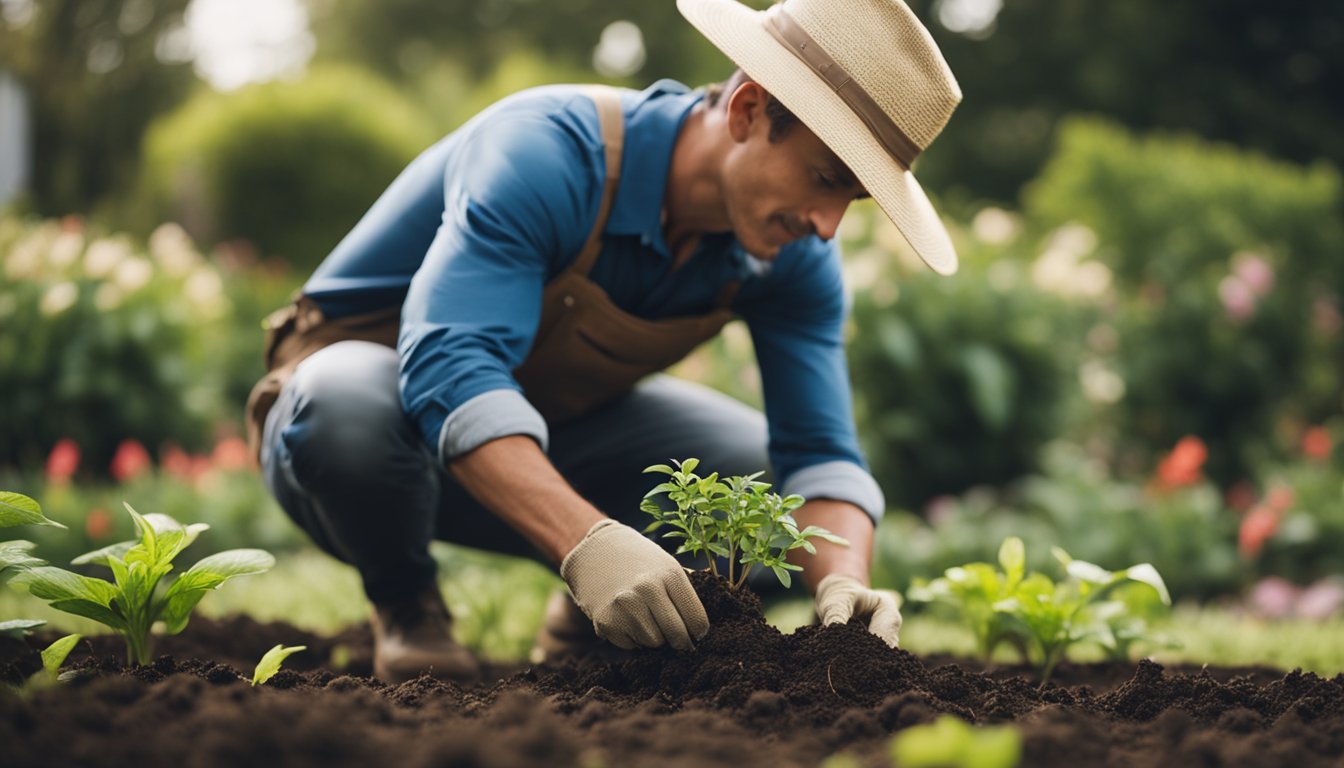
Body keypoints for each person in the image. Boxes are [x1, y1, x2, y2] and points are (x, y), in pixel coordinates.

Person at [245, 0, 962, 683]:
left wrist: (844, 580)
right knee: (343, 404)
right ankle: (408, 605)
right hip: (363, 439)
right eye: (826, 179)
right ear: (748, 110)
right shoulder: (550, 152)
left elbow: (821, 454)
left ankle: (585, 632)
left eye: (852, 200)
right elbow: (447, 364)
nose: (830, 224)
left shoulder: (792, 253)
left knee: (766, 508)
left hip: (550, 433)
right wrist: (586, 543)